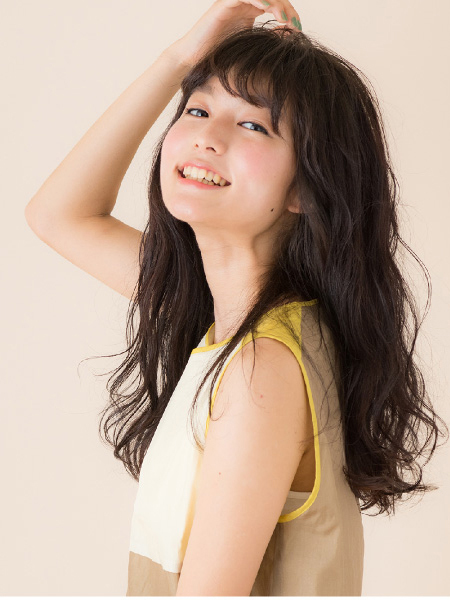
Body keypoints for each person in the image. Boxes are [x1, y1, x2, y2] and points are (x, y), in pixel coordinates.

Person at [25, 0, 448, 596]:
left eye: (254, 125)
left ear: (307, 187)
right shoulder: (230, 316)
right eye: (197, 109)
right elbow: (57, 215)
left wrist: (186, 65)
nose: (206, 136)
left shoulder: (260, 365)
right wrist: (180, 58)